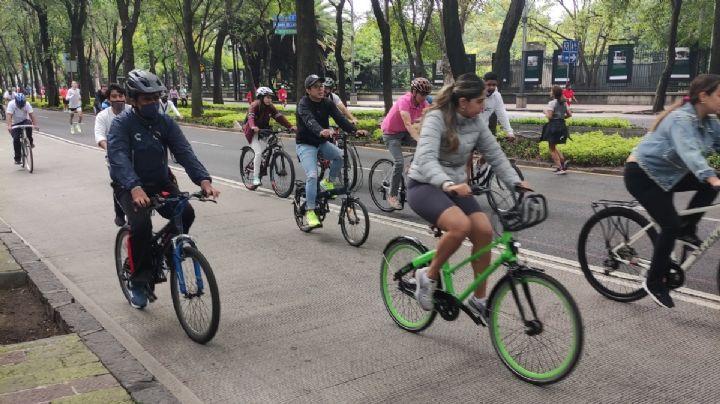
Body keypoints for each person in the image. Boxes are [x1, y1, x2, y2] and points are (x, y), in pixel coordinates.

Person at [407, 73, 529, 320]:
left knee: (484, 231)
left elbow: (494, 154)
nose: (484, 106)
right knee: (460, 227)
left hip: (456, 186)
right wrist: (448, 183)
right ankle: (427, 276)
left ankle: (479, 299)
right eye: (480, 101)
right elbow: (425, 159)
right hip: (424, 184)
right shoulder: (436, 119)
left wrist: (516, 183)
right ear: (463, 102)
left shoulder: (476, 123)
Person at [108, 69, 220, 309]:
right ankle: (138, 281)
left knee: (186, 212)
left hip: (159, 181)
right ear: (133, 100)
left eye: (156, 98)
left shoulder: (165, 122)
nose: (152, 103)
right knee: (141, 226)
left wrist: (203, 180)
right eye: (147, 99)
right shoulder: (121, 124)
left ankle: (169, 250)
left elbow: (184, 152)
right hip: (129, 185)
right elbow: (118, 158)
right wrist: (135, 187)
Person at [624, 74, 720, 309]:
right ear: (703, 96)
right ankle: (654, 282)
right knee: (670, 225)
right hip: (642, 175)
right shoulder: (681, 118)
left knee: (706, 188)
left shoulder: (710, 123)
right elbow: (689, 153)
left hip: (669, 175)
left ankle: (688, 228)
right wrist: (711, 176)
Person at [295, 74, 368, 228]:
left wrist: (355, 131)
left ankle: (329, 181)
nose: (321, 89)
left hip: (321, 143)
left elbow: (340, 118)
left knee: (340, 157)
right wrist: (321, 131)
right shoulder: (303, 104)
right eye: (316, 87)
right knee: (312, 175)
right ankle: (310, 210)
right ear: (308, 90)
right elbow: (309, 121)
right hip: (306, 144)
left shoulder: (327, 103)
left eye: (321, 86)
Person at [379, 77, 432, 209]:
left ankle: (412, 165)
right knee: (399, 162)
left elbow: (431, 119)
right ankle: (392, 195)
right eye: (422, 94)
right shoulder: (404, 100)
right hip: (391, 134)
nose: (424, 97)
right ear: (414, 92)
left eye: (426, 94)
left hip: (405, 133)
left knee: (428, 145)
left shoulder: (424, 103)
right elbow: (408, 123)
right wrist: (420, 140)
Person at [94, 83, 132, 226]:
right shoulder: (103, 116)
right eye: (114, 96)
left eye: (121, 96)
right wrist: (111, 150)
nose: (118, 99)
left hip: (135, 156)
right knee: (120, 183)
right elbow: (100, 137)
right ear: (109, 99)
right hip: (114, 158)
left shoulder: (132, 111)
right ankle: (120, 213)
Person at [245, 86, 296, 186]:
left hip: (264, 130)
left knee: (274, 142)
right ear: (261, 97)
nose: (269, 99)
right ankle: (256, 178)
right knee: (258, 153)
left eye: (270, 98)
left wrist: (290, 127)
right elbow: (250, 117)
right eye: (267, 97)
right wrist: (253, 126)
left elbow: (279, 117)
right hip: (253, 132)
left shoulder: (270, 107)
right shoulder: (254, 105)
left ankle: (264, 160)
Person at [542, 85, 571, 174]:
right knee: (553, 145)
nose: (550, 92)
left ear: (553, 93)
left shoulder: (552, 103)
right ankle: (562, 163)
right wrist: (561, 117)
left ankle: (560, 168)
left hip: (553, 126)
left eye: (551, 91)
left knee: (551, 148)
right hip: (562, 125)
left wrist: (545, 112)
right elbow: (569, 115)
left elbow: (549, 117)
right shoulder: (564, 102)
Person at [481, 72, 515, 139]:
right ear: (483, 83)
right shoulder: (474, 94)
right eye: (489, 84)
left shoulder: (496, 96)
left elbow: (502, 114)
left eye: (494, 85)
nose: (491, 87)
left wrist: (509, 132)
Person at [7, 93, 38, 165]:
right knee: (16, 139)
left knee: (29, 125)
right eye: (19, 105)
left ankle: (30, 141)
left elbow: (32, 115)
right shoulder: (11, 104)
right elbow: (9, 116)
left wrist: (35, 125)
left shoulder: (27, 104)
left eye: (22, 105)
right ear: (16, 102)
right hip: (15, 123)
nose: (21, 107)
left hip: (24, 120)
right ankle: (17, 158)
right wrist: (9, 126)